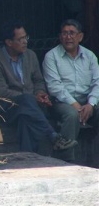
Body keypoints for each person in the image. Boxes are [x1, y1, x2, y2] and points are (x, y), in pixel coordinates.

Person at [0, 20, 77, 153]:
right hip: (8, 107)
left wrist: (40, 93)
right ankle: (54, 136)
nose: (25, 42)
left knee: (25, 119)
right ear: (9, 42)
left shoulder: (30, 55)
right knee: (26, 102)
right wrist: (31, 97)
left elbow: (38, 80)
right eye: (20, 39)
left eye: (26, 37)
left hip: (30, 107)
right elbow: (0, 91)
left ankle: (28, 157)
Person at [42, 19, 99, 162]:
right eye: (65, 33)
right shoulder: (51, 56)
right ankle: (66, 159)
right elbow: (55, 86)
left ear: (80, 36)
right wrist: (75, 105)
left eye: (72, 33)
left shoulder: (90, 56)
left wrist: (91, 104)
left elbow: (97, 82)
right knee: (71, 114)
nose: (68, 37)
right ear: (60, 37)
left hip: (86, 101)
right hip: (61, 103)